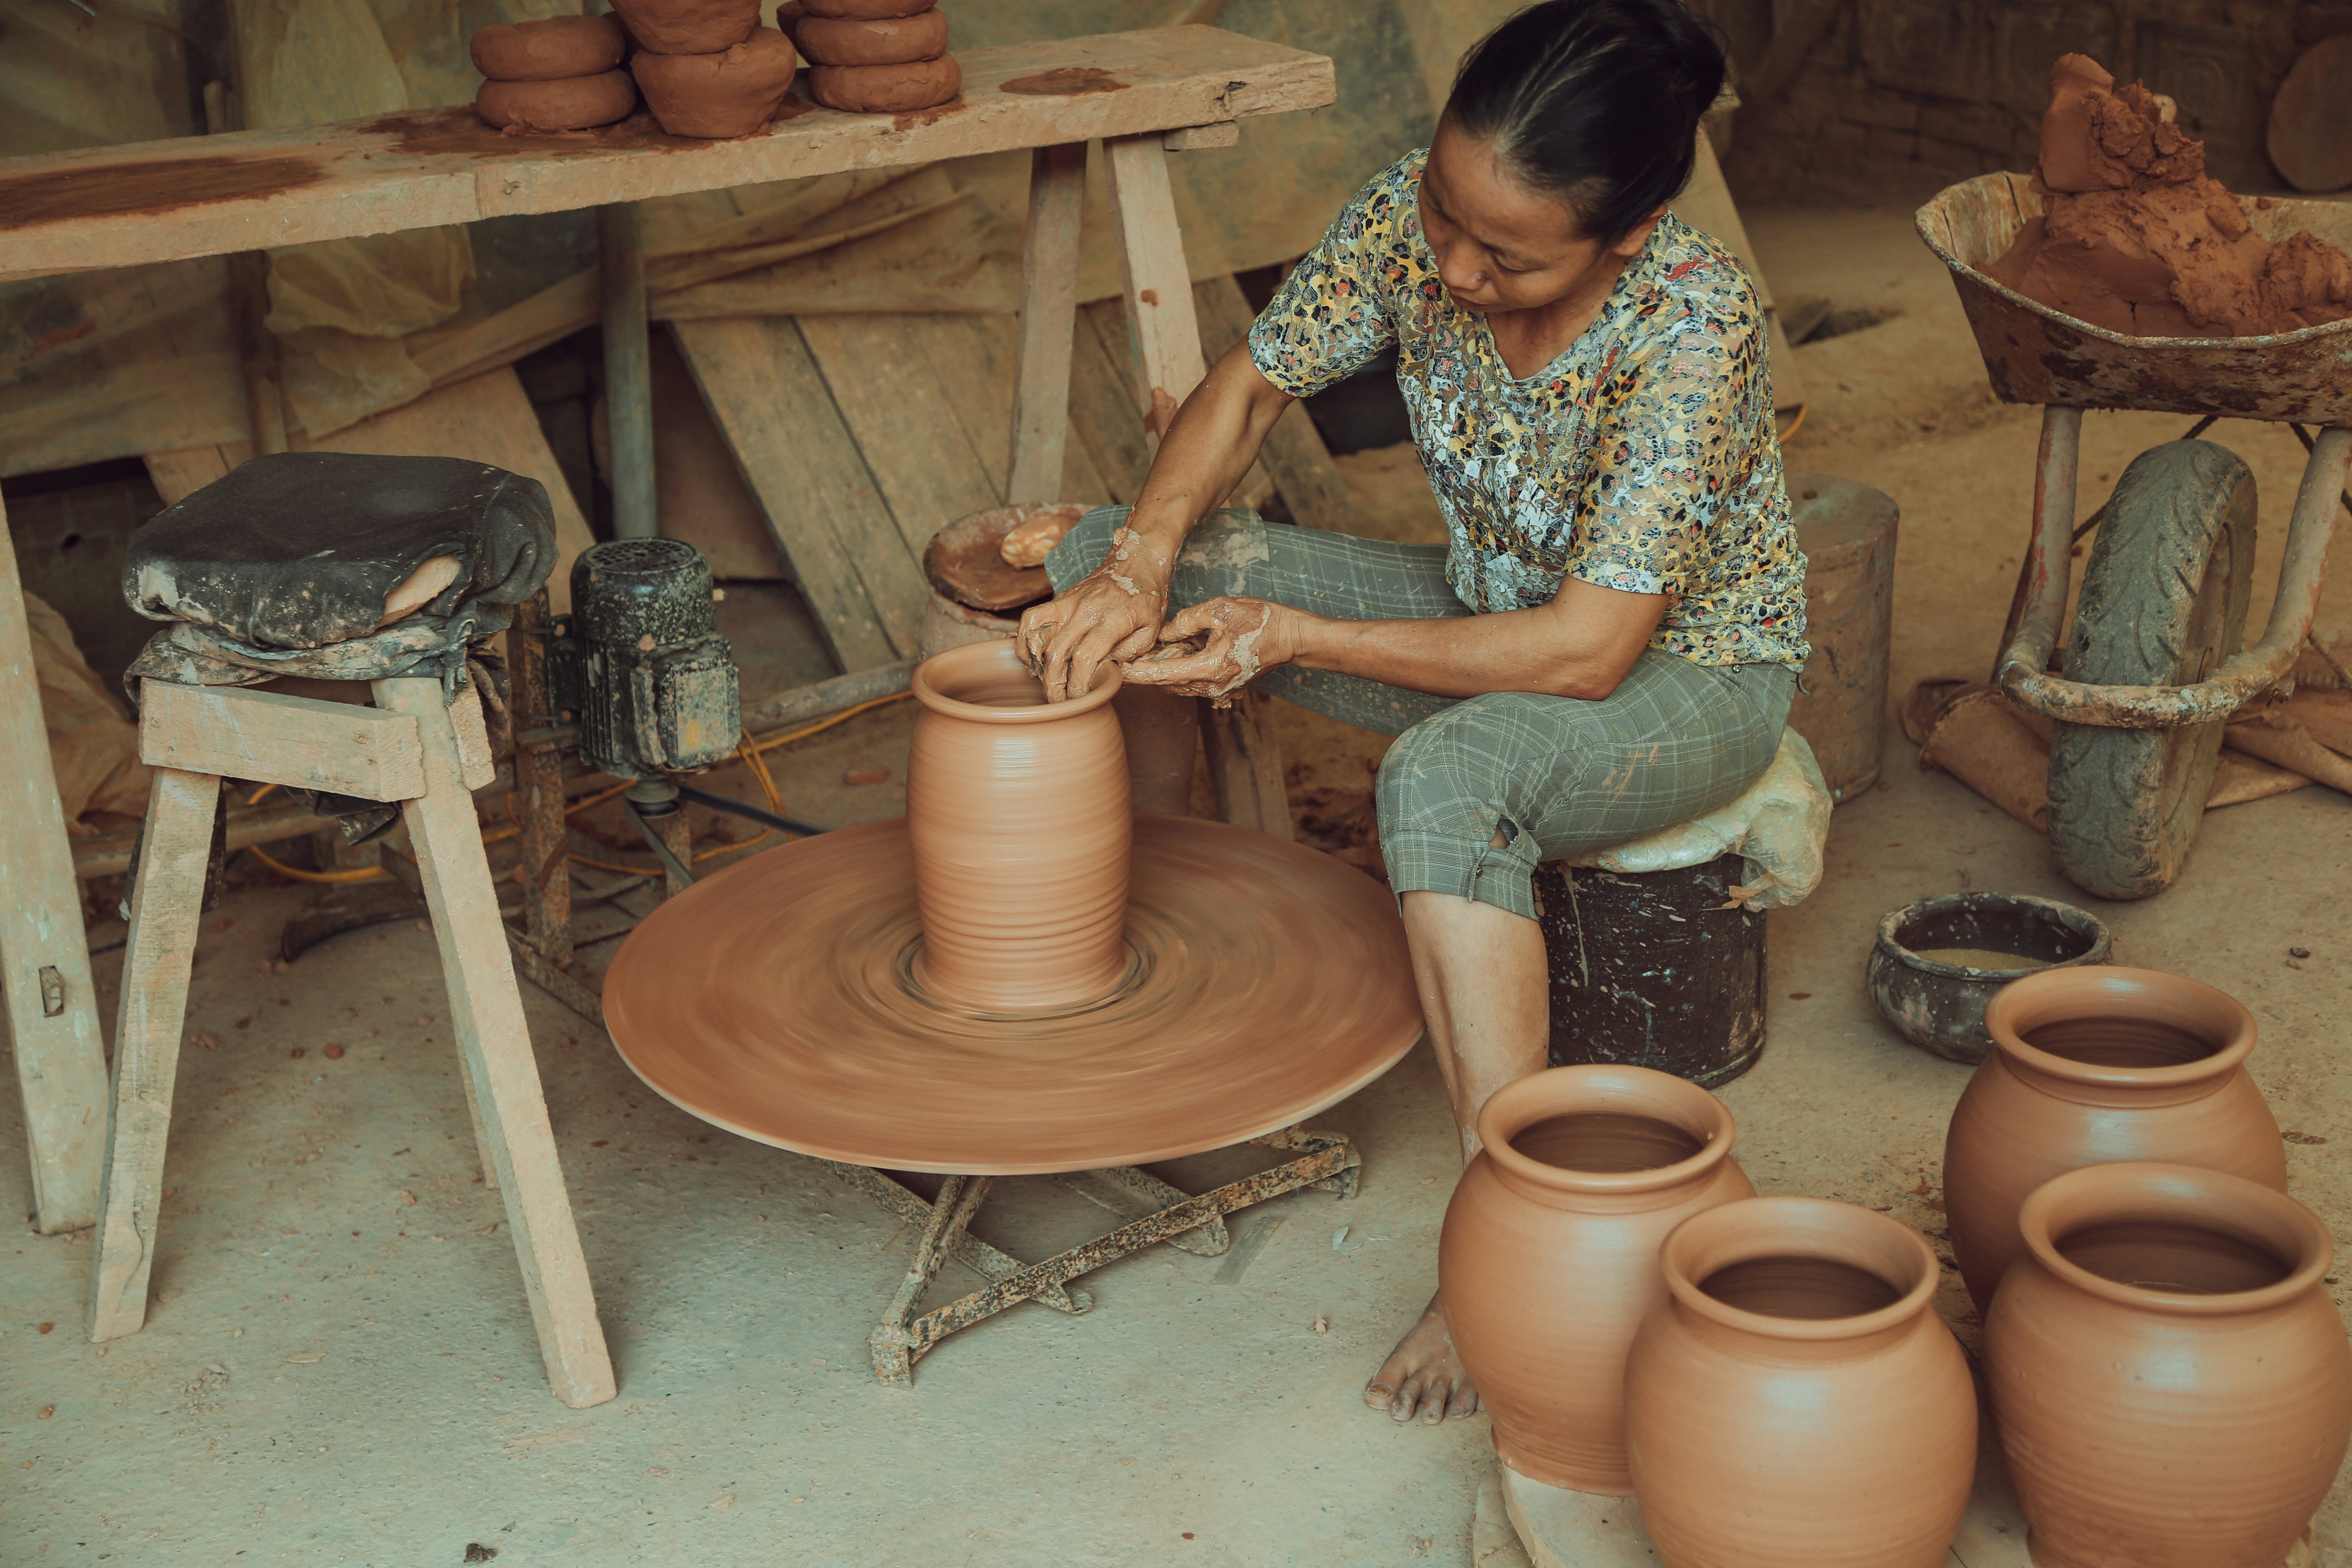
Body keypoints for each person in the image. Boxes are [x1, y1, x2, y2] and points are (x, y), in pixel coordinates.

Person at [1018, 0, 1807, 1424]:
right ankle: (1138, 979)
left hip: (1688, 673)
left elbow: (1582, 654)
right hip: (1487, 604)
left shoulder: (1693, 327)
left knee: (1443, 780)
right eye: (1446, 214)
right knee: (1091, 556)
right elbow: (1253, 385)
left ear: (1626, 232)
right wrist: (1139, 566)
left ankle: (1506, 1235)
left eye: (1503, 254)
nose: (1450, 266)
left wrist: (1293, 635)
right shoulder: (1409, 223)